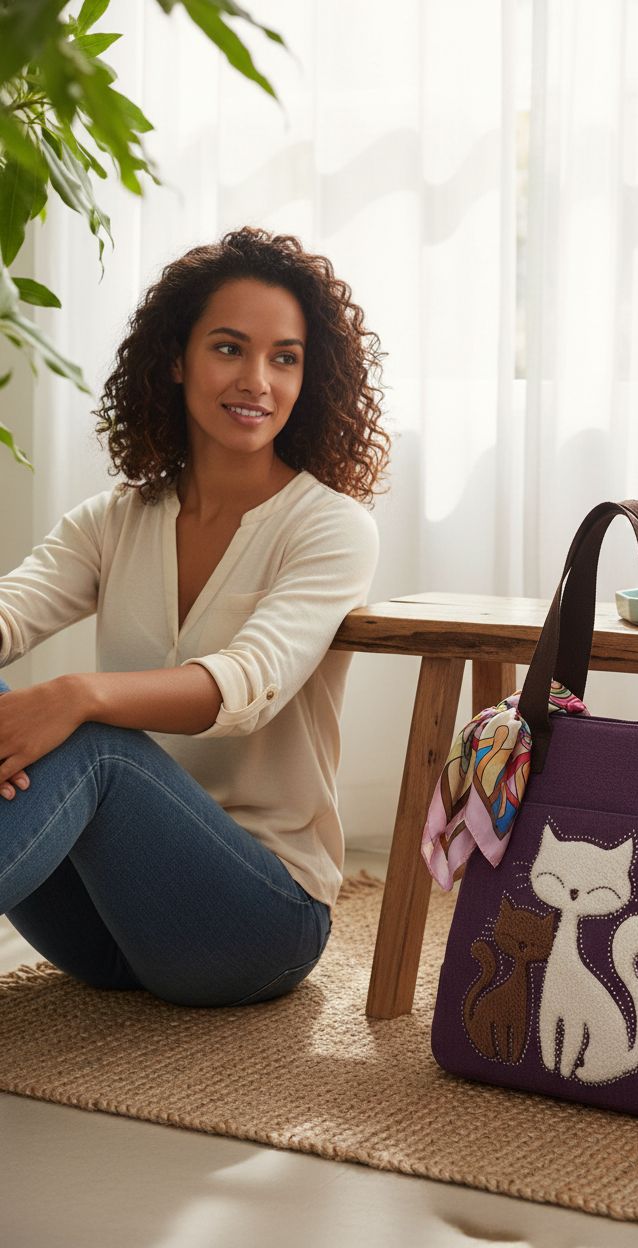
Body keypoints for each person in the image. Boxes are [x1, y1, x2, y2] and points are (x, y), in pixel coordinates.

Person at [0, 226, 390, 1008]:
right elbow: (13, 609)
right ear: (176, 359)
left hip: (258, 920)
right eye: (229, 348)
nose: (257, 380)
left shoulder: (330, 527)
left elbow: (248, 685)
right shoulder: (115, 519)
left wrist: (79, 694)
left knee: (95, 740)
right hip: (106, 926)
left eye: (285, 358)